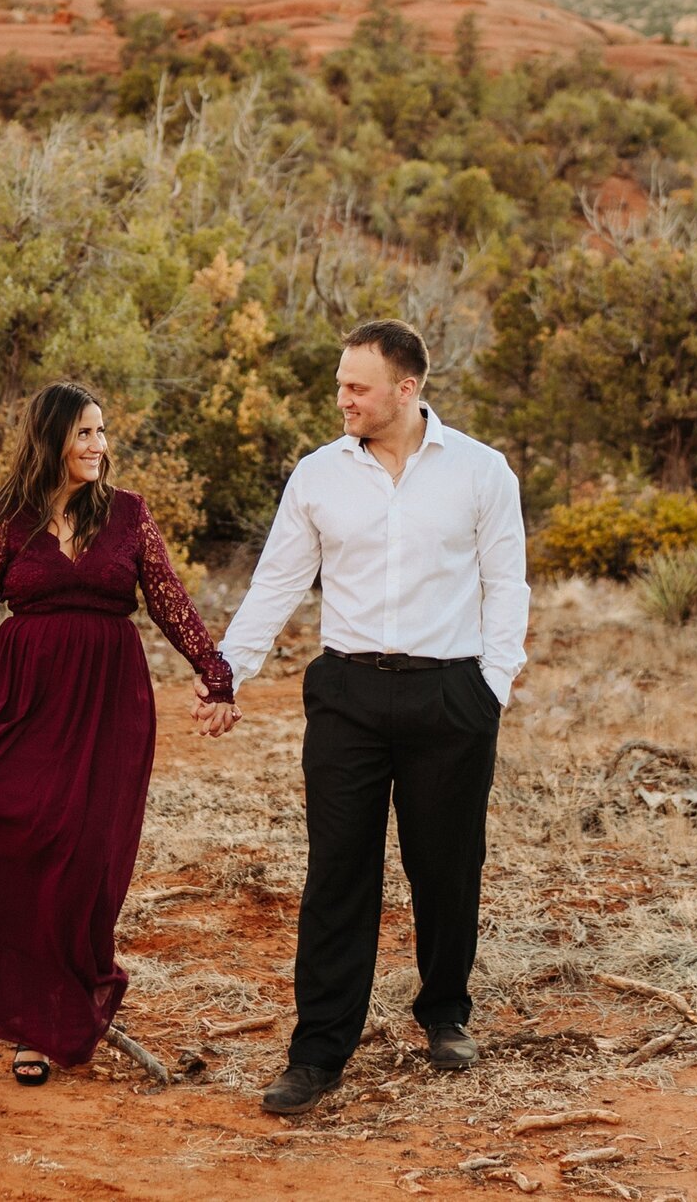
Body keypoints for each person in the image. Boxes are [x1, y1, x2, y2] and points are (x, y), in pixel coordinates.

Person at [0, 382, 236, 1085]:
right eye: (85, 433)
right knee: (29, 845)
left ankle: (74, 992)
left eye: (103, 433)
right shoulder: (8, 521)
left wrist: (216, 673)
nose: (99, 446)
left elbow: (171, 603)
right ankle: (36, 1020)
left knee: (89, 853)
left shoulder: (129, 515)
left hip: (109, 704)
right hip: (25, 704)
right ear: (52, 439)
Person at [206, 319, 530, 1116]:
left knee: (446, 865)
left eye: (357, 386)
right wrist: (226, 675)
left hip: (450, 695)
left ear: (406, 390)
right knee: (337, 871)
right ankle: (318, 1052)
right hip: (346, 695)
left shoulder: (482, 473)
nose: (342, 399)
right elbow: (277, 582)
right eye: (341, 384)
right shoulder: (318, 475)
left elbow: (507, 583)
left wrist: (492, 685)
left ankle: (445, 1014)